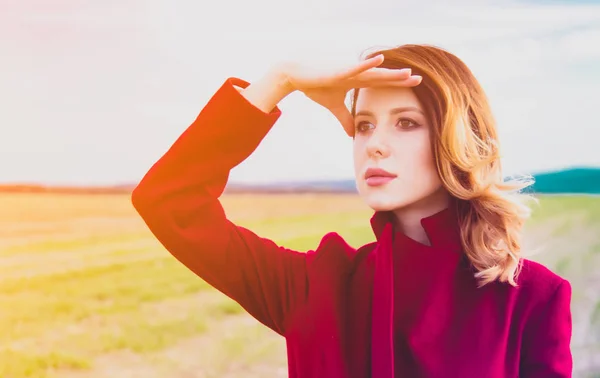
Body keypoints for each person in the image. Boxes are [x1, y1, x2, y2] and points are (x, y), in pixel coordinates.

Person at [131, 44, 573, 378]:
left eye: (406, 122)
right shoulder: (314, 284)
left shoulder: (532, 297)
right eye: (364, 125)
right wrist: (281, 80)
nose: (374, 143)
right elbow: (168, 199)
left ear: (456, 139)